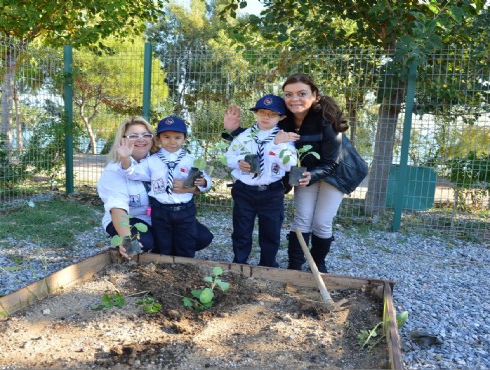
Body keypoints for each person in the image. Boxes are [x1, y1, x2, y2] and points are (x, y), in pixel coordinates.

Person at [224, 73, 350, 273]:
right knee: (302, 218)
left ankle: (318, 264)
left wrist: (308, 173)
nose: (294, 99)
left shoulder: (326, 119)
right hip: (300, 170)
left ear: (315, 95)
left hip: (334, 171)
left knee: (322, 221)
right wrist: (234, 131)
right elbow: (259, 137)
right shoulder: (285, 119)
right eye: (288, 94)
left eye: (302, 93)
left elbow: (331, 161)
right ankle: (294, 266)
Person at [97, 116, 213, 258]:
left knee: (200, 236)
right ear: (122, 140)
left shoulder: (166, 159)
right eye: (134, 135)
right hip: (131, 218)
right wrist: (127, 240)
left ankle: (176, 260)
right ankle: (137, 252)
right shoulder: (116, 169)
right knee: (143, 243)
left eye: (146, 135)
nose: (141, 139)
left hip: (160, 215)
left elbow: (199, 181)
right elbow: (118, 209)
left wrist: (189, 188)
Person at [224, 94, 297, 267]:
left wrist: (277, 146)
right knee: (241, 229)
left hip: (271, 192)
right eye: (262, 112)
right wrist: (239, 162)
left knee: (270, 230)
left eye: (272, 114)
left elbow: (290, 165)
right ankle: (240, 262)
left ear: (282, 117)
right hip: (244, 190)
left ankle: (268, 264)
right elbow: (228, 157)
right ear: (255, 113)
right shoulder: (245, 136)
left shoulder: (284, 138)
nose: (266, 117)